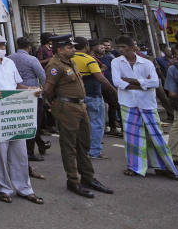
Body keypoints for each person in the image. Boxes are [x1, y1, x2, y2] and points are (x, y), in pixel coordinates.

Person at [43, 35, 114, 198]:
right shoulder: (54, 65)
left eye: (73, 47)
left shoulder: (71, 61)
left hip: (80, 106)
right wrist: (56, 105)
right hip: (67, 108)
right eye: (69, 47)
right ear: (60, 49)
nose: (73, 49)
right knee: (69, 146)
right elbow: (48, 90)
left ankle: (88, 178)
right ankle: (73, 181)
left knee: (84, 144)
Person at [0, 33, 42, 205]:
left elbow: (17, 85)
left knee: (20, 153)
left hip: (15, 112)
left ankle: (24, 188)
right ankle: (3, 189)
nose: (2, 48)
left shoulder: (10, 62)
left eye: (4, 45)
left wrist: (30, 89)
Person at [111, 35, 178, 180]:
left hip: (148, 104)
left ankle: (163, 166)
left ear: (132, 47)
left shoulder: (146, 62)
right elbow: (117, 82)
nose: (120, 50)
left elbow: (155, 83)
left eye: (123, 47)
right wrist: (143, 84)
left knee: (156, 135)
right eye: (119, 47)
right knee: (132, 138)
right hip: (128, 104)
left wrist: (131, 81)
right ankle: (135, 167)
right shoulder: (116, 62)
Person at [72, 37, 118, 160]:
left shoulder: (69, 59)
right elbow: (100, 78)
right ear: (86, 46)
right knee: (97, 124)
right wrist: (114, 90)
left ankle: (81, 149)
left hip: (77, 96)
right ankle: (94, 151)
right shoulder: (89, 59)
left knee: (82, 125)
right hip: (93, 95)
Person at [7, 36, 49, 161]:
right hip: (32, 95)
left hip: (15, 95)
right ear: (29, 47)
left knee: (20, 123)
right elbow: (43, 77)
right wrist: (46, 93)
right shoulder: (32, 59)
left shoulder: (8, 59)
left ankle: (38, 145)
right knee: (33, 124)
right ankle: (30, 152)